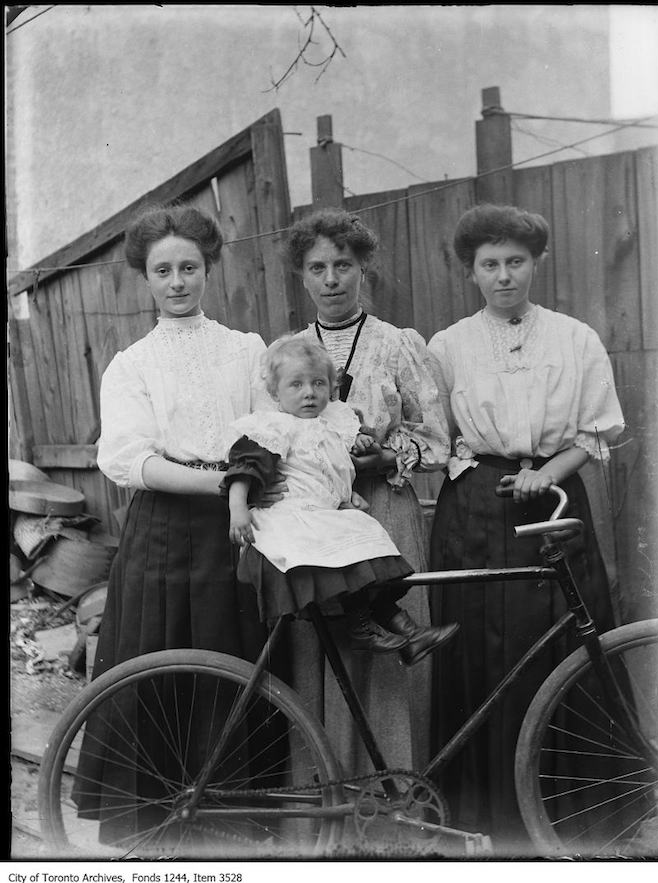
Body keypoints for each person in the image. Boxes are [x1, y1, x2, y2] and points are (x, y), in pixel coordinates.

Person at [72, 203, 281, 846]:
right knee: (159, 660)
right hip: (163, 526)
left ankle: (231, 819)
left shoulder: (247, 351)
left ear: (209, 268)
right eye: (163, 271)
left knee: (230, 654)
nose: (177, 282)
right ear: (147, 277)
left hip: (239, 524)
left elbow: (267, 431)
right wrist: (217, 481)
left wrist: (237, 486)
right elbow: (129, 458)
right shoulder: (132, 364)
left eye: (189, 267)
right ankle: (155, 823)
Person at [426, 203, 625, 853]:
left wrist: (548, 472)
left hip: (556, 501)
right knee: (484, 654)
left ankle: (575, 810)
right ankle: (486, 812)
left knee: (565, 641)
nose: (504, 275)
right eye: (490, 264)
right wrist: (482, 475)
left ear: (536, 263)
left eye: (516, 261)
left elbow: (597, 430)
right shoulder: (448, 345)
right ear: (471, 272)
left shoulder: (575, 338)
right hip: (476, 509)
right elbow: (438, 439)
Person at [287, 207, 452, 775]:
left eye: (343, 265)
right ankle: (327, 793)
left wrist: (385, 456)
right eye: (317, 268)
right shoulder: (286, 353)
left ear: (364, 268)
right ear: (301, 276)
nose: (331, 279)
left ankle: (395, 797)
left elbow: (436, 441)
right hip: (313, 516)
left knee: (387, 645)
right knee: (326, 643)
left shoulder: (398, 344)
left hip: (384, 512)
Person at [222, 335, 458, 661]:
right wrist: (238, 510)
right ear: (275, 393)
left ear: (331, 388)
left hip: (327, 511)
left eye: (318, 383)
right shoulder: (272, 427)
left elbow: (331, 469)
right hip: (291, 517)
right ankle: (362, 626)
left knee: (369, 540)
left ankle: (408, 631)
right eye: (296, 385)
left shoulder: (334, 423)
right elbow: (243, 472)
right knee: (344, 555)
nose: (309, 392)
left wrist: (358, 448)